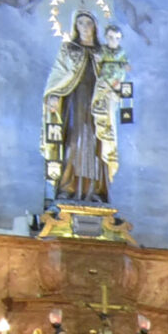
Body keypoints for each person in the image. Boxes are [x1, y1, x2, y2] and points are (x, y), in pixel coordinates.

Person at [42, 11, 118, 204]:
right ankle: (67, 189)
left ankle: (97, 191)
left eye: (88, 23)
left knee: (95, 145)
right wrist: (53, 94)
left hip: (97, 107)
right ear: (75, 26)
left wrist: (115, 89)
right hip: (73, 103)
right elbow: (57, 75)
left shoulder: (103, 52)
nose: (84, 27)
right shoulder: (68, 49)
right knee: (73, 145)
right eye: (80, 23)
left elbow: (113, 78)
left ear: (95, 26)